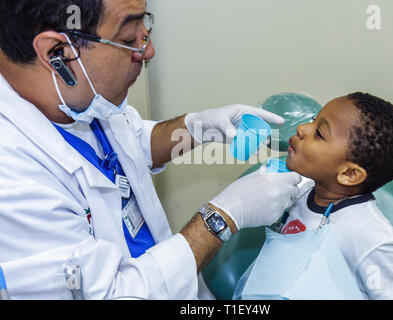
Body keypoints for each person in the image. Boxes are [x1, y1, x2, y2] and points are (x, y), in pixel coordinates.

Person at [0, 0, 302, 299]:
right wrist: (221, 218)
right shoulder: (12, 184)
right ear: (57, 53)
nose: (148, 51)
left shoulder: (78, 96)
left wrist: (197, 127)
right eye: (129, 40)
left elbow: (132, 140)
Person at [281, 92, 393, 299]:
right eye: (313, 120)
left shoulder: (370, 237)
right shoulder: (302, 190)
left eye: (320, 133)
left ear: (349, 174)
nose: (302, 128)